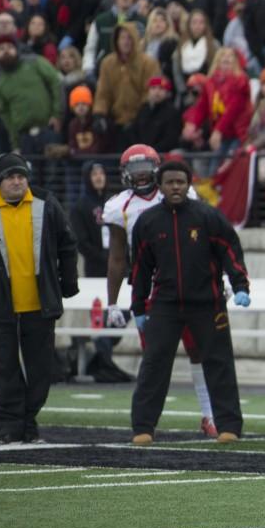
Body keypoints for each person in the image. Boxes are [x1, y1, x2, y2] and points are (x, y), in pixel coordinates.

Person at [0, 152, 78, 444]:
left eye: (21, 176)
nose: (17, 181)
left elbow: (67, 243)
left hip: (41, 303)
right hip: (0, 306)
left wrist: (68, 283)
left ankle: (26, 422)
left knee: (41, 374)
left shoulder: (46, 202)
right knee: (4, 370)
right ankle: (8, 428)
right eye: (11, 177)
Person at [129, 160, 250, 445]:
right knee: (154, 365)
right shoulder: (147, 223)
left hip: (208, 304)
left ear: (188, 185)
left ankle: (228, 427)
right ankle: (143, 427)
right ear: (161, 186)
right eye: (170, 182)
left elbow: (231, 253)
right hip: (164, 306)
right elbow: (139, 270)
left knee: (219, 364)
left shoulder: (208, 217)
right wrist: (138, 308)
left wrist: (240, 286)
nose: (176, 187)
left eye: (181, 182)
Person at [103, 144, 218, 437]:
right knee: (155, 359)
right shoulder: (120, 207)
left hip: (188, 285)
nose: (140, 177)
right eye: (133, 171)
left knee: (199, 352)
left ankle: (209, 415)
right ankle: (146, 424)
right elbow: (117, 257)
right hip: (149, 291)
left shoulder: (183, 196)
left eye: (145, 170)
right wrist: (112, 303)